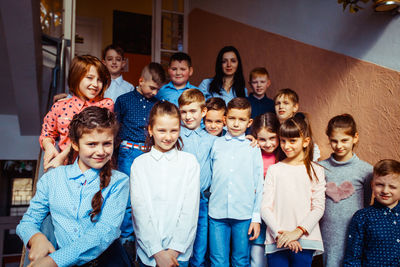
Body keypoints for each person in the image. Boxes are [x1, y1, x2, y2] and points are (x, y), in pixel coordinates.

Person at [16, 106, 131, 267]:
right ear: (75, 145)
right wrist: (36, 238)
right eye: (91, 144)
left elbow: (105, 231)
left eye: (107, 143)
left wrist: (55, 260)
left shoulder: (119, 181)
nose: (100, 151)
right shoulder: (52, 179)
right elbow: (28, 221)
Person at [131, 101, 200, 267]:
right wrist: (157, 252)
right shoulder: (139, 164)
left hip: (179, 254)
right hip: (148, 254)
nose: (168, 137)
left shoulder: (189, 162)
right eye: (161, 130)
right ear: (150, 130)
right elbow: (139, 211)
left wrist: (174, 250)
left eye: (174, 130)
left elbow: (189, 210)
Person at [114, 62, 166, 261]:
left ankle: (147, 238)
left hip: (150, 153)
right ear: (140, 81)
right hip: (128, 152)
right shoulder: (123, 100)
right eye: (151, 87)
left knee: (148, 197)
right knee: (128, 198)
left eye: (158, 89)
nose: (154, 92)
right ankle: (127, 239)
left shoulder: (157, 105)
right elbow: (115, 127)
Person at [261, 113, 326, 267]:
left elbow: (318, 208)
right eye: (283, 141)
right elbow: (265, 207)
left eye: (292, 141)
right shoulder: (274, 170)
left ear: (305, 142)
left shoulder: (316, 170)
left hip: (305, 239)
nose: (286, 146)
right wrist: (280, 234)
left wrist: (297, 233)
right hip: (277, 239)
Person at [208, 97, 263, 267]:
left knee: (241, 260)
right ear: (225, 119)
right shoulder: (215, 144)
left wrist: (256, 217)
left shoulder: (253, 148)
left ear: (249, 122)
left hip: (244, 214)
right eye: (232, 118)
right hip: (216, 214)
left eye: (241, 119)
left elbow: (259, 184)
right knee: (218, 261)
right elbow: (210, 174)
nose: (236, 124)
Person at [40, 55, 113, 172]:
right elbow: (47, 134)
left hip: (95, 170)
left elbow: (85, 135)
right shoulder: (59, 106)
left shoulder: (105, 105)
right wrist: (49, 148)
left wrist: (62, 156)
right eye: (90, 77)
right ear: (76, 77)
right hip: (64, 168)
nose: (95, 84)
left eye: (99, 80)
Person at [319, 114, 372, 267]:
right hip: (327, 233)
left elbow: (366, 204)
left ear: (355, 138)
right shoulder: (320, 168)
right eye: (334, 141)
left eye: (344, 140)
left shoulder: (366, 170)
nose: (339, 145)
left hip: (354, 231)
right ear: (329, 139)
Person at [178, 89, 217, 266]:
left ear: (203, 112)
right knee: (181, 247)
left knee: (200, 249)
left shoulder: (213, 139)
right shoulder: (176, 136)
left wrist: (249, 139)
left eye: (193, 111)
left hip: (203, 201)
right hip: (181, 200)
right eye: (184, 111)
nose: (188, 116)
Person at [344, 159, 400, 266]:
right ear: (372, 185)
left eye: (392, 186)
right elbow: (353, 258)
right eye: (379, 184)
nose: (385, 191)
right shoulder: (362, 217)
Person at [249, 112, 280, 267]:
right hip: (258, 213)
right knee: (257, 259)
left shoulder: (284, 155)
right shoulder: (253, 153)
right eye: (262, 139)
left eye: (272, 138)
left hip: (278, 212)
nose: (267, 143)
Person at [274, 88, 320, 161]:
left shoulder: (301, 125)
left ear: (295, 107)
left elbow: (312, 148)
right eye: (278, 103)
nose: (281, 107)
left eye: (286, 103)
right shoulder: (273, 127)